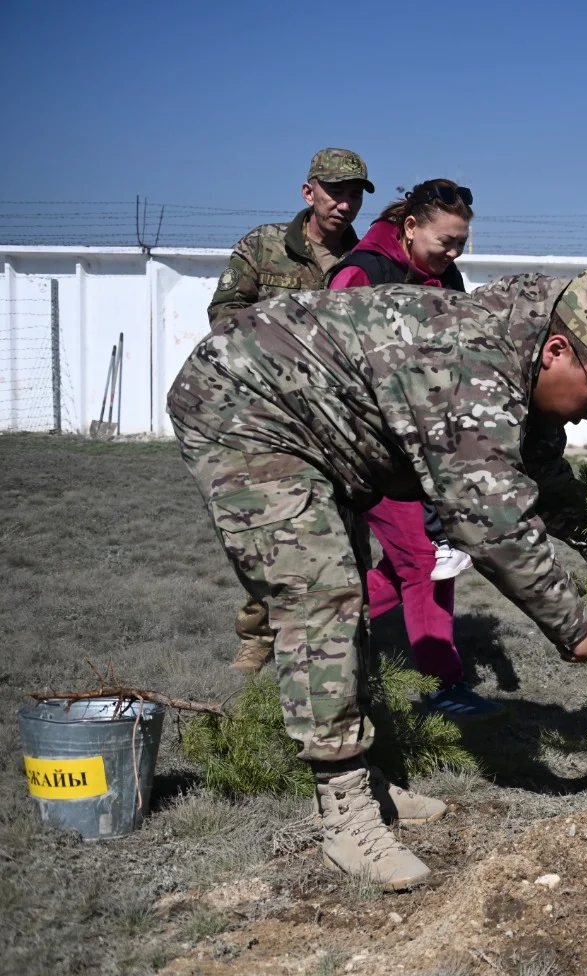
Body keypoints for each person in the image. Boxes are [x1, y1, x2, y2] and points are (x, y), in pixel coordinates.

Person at [168, 271, 587, 888]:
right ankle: (345, 815)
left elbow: (545, 482)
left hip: (312, 423)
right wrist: (572, 627)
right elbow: (491, 522)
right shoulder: (472, 364)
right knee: (321, 596)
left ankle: (367, 778)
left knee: (345, 601)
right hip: (245, 406)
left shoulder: (517, 368)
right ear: (556, 350)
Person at [206, 148, 375, 675]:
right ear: (309, 192)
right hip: (274, 420)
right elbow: (225, 315)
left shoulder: (365, 259)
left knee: (347, 535)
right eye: (335, 192)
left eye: (354, 195)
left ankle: (349, 642)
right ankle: (259, 637)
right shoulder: (264, 246)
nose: (344, 204)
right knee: (272, 532)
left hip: (340, 423)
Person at [328, 178, 489, 715]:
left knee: (412, 564)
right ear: (411, 226)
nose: (454, 252)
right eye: (446, 241)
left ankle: (317, 624)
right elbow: (331, 359)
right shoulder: (362, 272)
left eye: (461, 243)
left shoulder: (446, 277)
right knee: (424, 558)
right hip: (369, 448)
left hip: (428, 448)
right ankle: (446, 686)